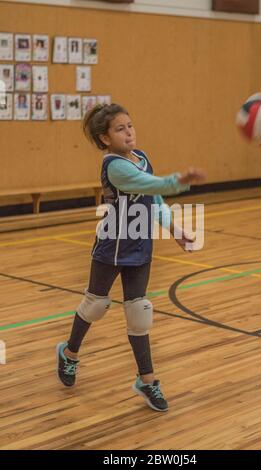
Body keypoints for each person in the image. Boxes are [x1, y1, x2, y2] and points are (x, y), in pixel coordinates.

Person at [56, 103, 206, 412]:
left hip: (140, 246)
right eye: (120, 128)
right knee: (95, 304)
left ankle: (147, 380)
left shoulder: (142, 157)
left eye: (130, 125)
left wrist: (175, 229)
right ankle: (69, 354)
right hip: (112, 245)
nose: (129, 132)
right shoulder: (114, 165)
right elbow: (152, 184)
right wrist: (180, 179)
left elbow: (155, 199)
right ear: (105, 138)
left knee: (139, 311)